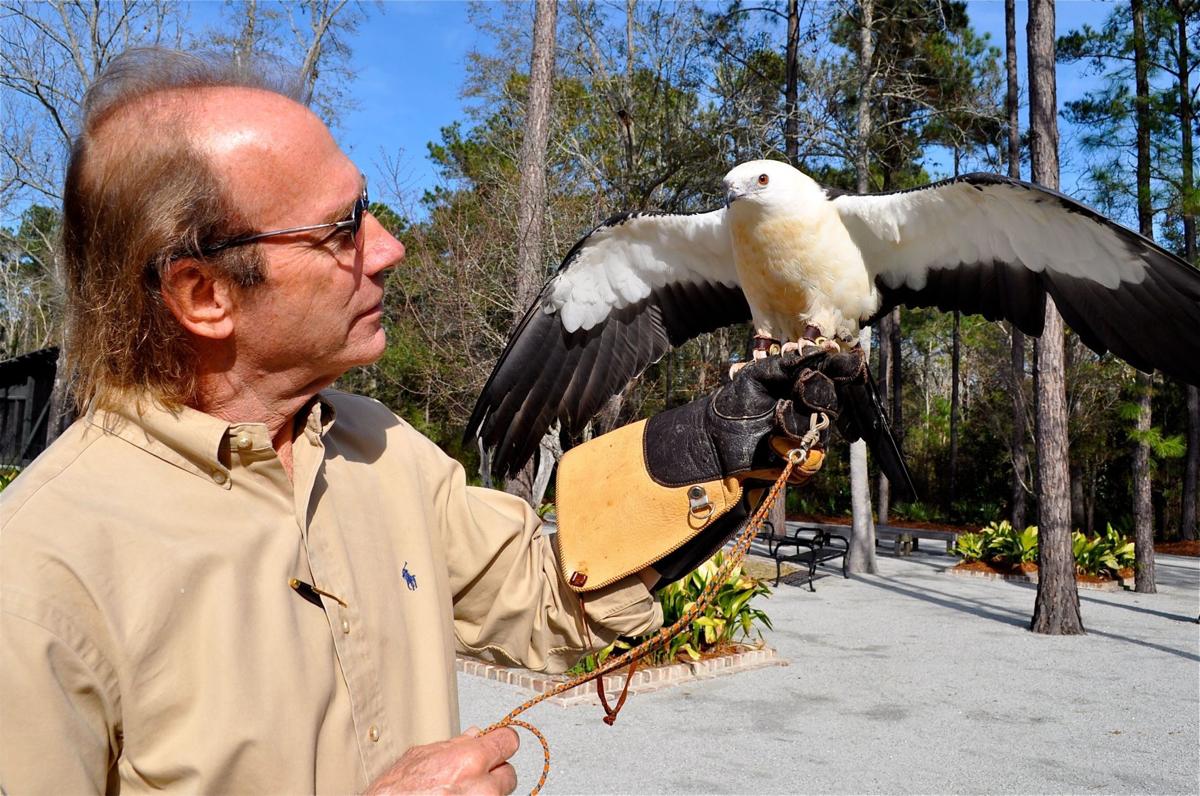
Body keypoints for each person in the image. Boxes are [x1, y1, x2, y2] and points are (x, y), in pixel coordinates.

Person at [0, 48, 854, 794]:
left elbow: (554, 593)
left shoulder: (380, 445)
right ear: (204, 293)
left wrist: (705, 451)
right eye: (341, 229)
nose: (388, 247)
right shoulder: (39, 575)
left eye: (365, 207)